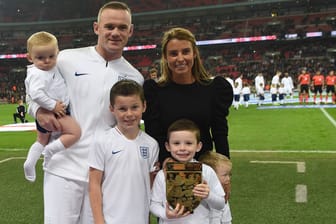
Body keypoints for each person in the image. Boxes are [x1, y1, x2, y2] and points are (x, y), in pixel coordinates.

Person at [27, 2, 144, 223]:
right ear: (96, 28)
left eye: (121, 27)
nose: (115, 33)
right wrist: (38, 112)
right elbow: (32, 88)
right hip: (62, 166)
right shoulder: (66, 59)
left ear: (130, 31)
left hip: (102, 173)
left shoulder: (135, 77)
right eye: (109, 26)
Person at [143, 27, 233, 166]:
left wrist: (224, 168)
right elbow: (154, 134)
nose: (180, 58)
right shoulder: (154, 92)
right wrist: (167, 161)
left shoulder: (214, 89)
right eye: (173, 53)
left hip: (204, 167)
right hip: (168, 168)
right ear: (165, 57)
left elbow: (219, 132)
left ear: (194, 54)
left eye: (185, 52)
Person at [89, 80, 159, 224]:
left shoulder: (151, 144)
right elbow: (94, 184)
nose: (129, 114)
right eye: (122, 109)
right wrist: (98, 220)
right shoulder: (102, 141)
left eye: (134, 107)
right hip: (110, 219)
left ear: (144, 106)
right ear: (112, 109)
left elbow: (150, 186)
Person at [23, 31, 81, 183]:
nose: (47, 61)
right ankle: (49, 151)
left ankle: (30, 162)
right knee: (74, 132)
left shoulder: (50, 68)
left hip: (53, 110)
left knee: (41, 139)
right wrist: (53, 106)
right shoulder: (38, 74)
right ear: (30, 58)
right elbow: (35, 94)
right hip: (54, 112)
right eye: (40, 58)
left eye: (51, 56)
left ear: (57, 53)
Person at [150, 119, 225, 224]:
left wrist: (208, 195)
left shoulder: (207, 171)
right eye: (176, 143)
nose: (182, 148)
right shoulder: (162, 175)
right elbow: (154, 204)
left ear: (198, 146)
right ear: (168, 146)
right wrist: (165, 214)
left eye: (189, 143)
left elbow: (221, 204)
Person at [199, 151, 233, 224]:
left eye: (229, 174)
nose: (228, 178)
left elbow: (227, 220)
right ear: (210, 175)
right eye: (225, 175)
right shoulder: (199, 196)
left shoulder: (223, 194)